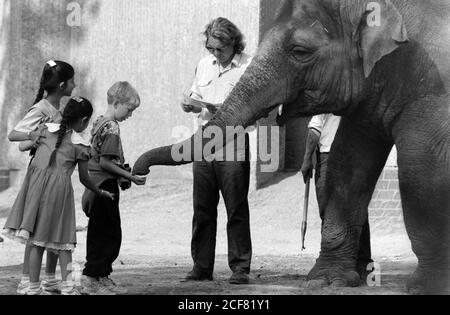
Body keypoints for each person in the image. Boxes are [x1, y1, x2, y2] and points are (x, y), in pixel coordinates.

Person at [3, 97, 114, 295]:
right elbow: (84, 179)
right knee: (63, 241)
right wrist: (99, 191)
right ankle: (68, 287)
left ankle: (33, 287)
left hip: (35, 190)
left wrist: (34, 136)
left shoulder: (44, 130)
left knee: (36, 240)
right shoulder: (79, 145)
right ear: (84, 120)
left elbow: (22, 144)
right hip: (58, 195)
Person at [181, 18, 253, 285]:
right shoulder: (203, 65)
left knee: (236, 207)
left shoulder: (249, 66)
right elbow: (195, 96)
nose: (214, 53)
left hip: (233, 142)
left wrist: (213, 107)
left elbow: (250, 110)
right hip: (204, 142)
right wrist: (191, 105)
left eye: (219, 49)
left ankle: (240, 268)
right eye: (210, 48)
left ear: (233, 42)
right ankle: (201, 266)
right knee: (202, 207)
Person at [7, 60, 76, 295]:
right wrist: (34, 134)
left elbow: (27, 145)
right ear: (64, 84)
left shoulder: (56, 110)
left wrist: (36, 139)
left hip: (50, 176)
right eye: (73, 81)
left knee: (42, 230)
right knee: (36, 231)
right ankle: (29, 283)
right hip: (42, 178)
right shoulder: (42, 108)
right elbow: (14, 136)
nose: (75, 85)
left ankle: (42, 279)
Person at [81, 82, 147, 295]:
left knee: (102, 229)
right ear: (117, 103)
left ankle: (101, 275)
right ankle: (92, 278)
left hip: (95, 184)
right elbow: (106, 163)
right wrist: (130, 176)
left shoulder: (99, 122)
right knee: (107, 232)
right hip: (104, 186)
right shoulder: (111, 127)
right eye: (129, 109)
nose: (130, 115)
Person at [301, 114, 372, 275]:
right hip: (352, 156)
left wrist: (306, 159)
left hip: (331, 156)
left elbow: (315, 129)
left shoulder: (325, 95)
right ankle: (363, 264)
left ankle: (343, 261)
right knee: (357, 210)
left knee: (330, 212)